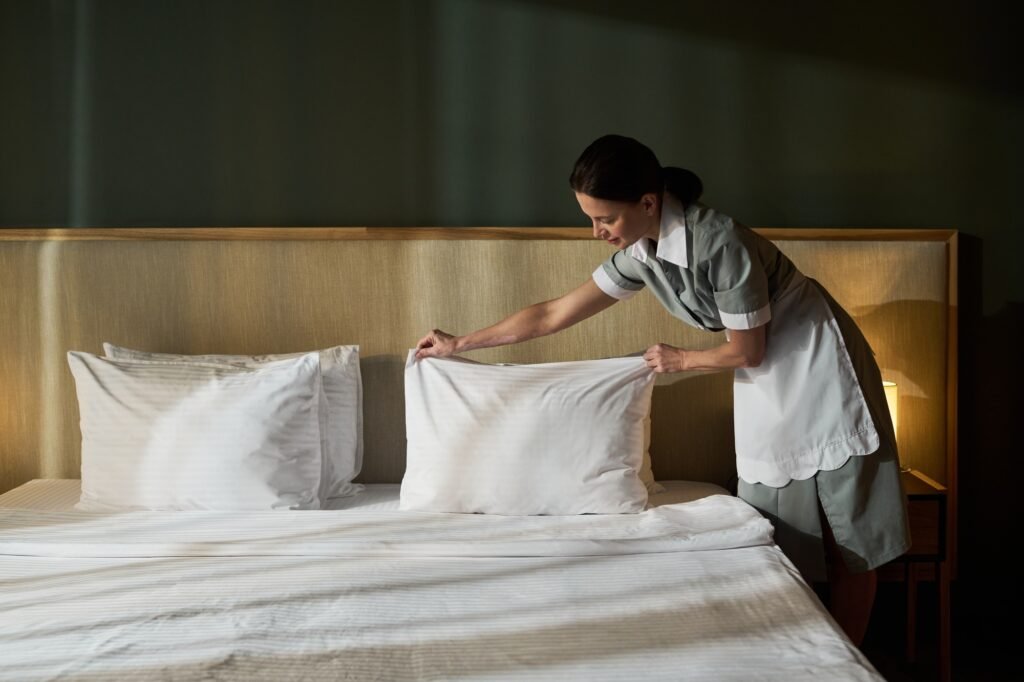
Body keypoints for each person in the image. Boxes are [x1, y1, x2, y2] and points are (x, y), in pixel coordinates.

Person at [414, 133, 910, 646]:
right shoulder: (642, 252)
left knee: (846, 537)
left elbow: (747, 350)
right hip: (766, 371)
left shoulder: (719, 242)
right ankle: (803, 645)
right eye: (591, 218)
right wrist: (459, 342)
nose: (596, 232)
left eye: (605, 218)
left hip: (815, 358)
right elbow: (552, 314)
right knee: (780, 526)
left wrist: (682, 359)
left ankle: (850, 658)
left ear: (648, 203)